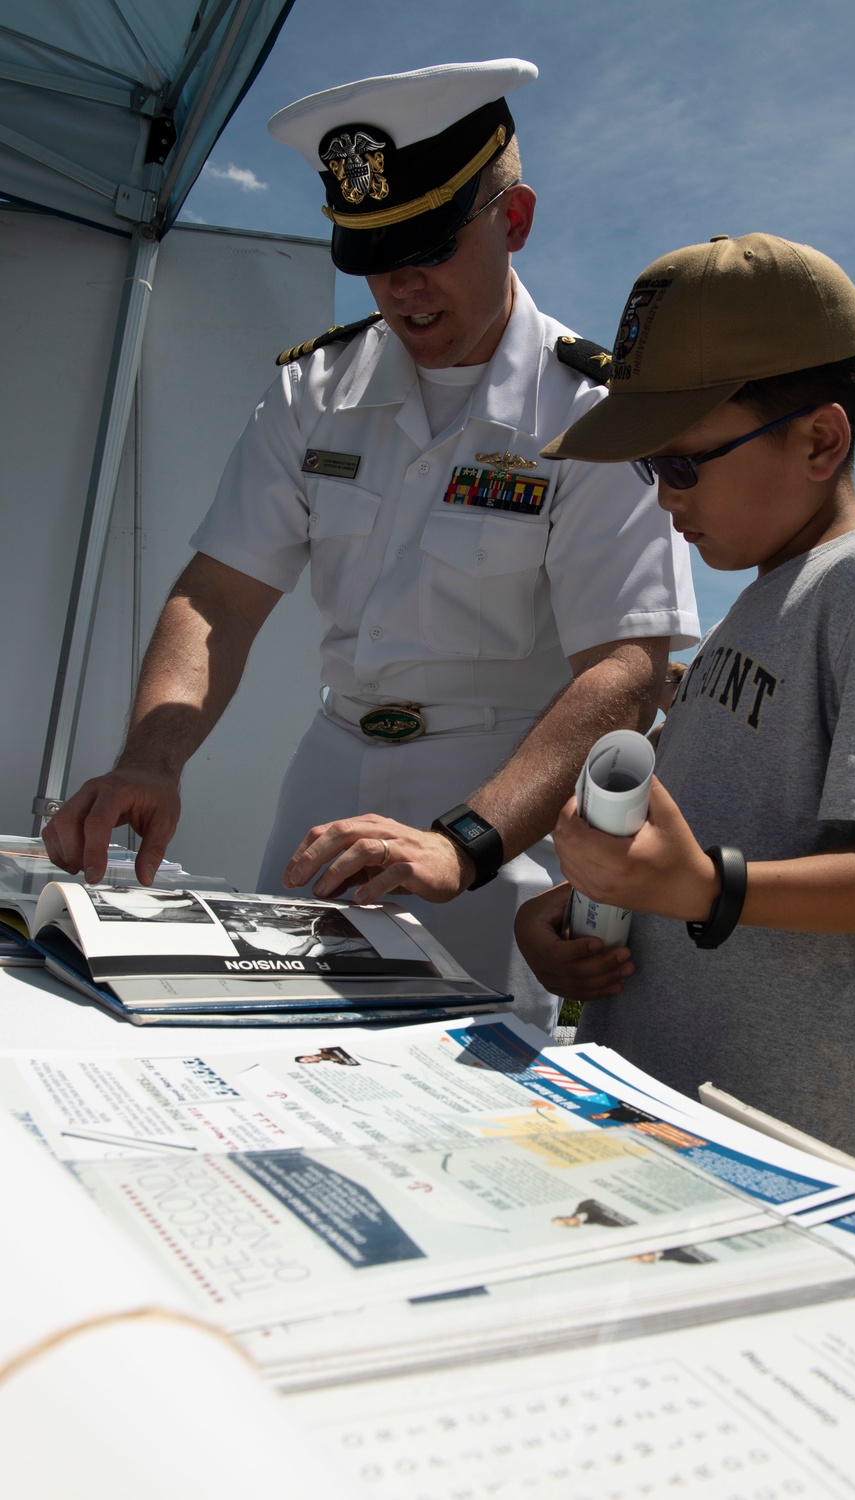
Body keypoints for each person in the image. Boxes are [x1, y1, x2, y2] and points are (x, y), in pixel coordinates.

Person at [41, 60, 699, 1032]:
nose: (400, 283)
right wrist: (152, 757)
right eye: (373, 250)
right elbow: (218, 596)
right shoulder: (315, 392)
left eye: (429, 244)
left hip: (498, 805)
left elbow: (627, 669)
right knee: (262, 1042)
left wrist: (464, 843)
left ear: (512, 222)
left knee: (458, 1098)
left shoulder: (587, 415)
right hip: (331, 775)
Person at [514, 232, 855, 1179]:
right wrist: (583, 910)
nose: (665, 502)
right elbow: (717, 845)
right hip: (665, 1125)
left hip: (785, 1162)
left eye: (683, 466)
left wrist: (706, 889)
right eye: (652, 471)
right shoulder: (752, 612)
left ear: (820, 438)